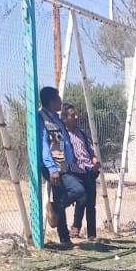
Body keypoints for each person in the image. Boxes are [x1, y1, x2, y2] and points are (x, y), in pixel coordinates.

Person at [37, 86, 85, 250]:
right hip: (53, 167)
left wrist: (71, 159)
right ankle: (55, 208)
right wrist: (51, 169)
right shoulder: (42, 118)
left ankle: (64, 239)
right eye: (57, 99)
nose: (60, 101)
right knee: (78, 190)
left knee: (62, 198)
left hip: (64, 165)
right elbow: (44, 146)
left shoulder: (56, 118)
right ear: (51, 101)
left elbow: (63, 140)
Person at [61, 103, 101, 241]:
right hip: (74, 171)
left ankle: (92, 235)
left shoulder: (81, 133)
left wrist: (95, 162)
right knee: (81, 198)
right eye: (73, 115)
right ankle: (75, 226)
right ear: (64, 118)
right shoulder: (63, 135)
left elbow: (90, 151)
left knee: (91, 203)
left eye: (76, 114)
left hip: (88, 171)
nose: (76, 117)